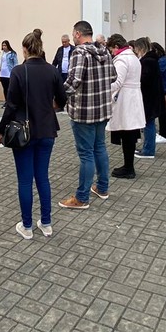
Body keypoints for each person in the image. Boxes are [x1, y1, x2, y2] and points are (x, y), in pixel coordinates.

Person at [0, 29, 66, 239]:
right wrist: (48, 109)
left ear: (24, 50)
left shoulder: (18, 72)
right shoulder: (52, 71)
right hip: (48, 129)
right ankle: (47, 223)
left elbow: (11, 106)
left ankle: (27, 225)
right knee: (43, 178)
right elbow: (62, 99)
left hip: (24, 131)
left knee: (25, 180)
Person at [58, 20, 115, 210]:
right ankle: (102, 188)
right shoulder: (105, 51)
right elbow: (113, 76)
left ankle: (82, 198)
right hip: (103, 110)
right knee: (100, 148)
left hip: (83, 112)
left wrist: (56, 93)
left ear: (77, 34)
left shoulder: (79, 53)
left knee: (86, 154)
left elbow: (73, 82)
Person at [105, 34, 144, 181]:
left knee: (127, 134)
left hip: (125, 100)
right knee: (130, 134)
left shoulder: (122, 60)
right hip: (133, 97)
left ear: (116, 47)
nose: (111, 52)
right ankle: (128, 166)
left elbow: (117, 81)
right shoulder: (133, 57)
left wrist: (104, 89)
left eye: (111, 49)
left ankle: (129, 168)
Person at [134, 37, 165, 160]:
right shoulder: (152, 60)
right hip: (152, 97)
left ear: (141, 48)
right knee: (148, 123)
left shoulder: (147, 61)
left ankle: (148, 150)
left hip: (149, 98)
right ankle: (147, 148)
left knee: (148, 123)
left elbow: (144, 80)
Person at [151, 41, 166, 143]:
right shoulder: (161, 60)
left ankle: (164, 134)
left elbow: (157, 72)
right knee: (161, 113)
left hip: (164, 90)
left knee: (163, 113)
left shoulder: (162, 61)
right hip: (162, 89)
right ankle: (162, 133)